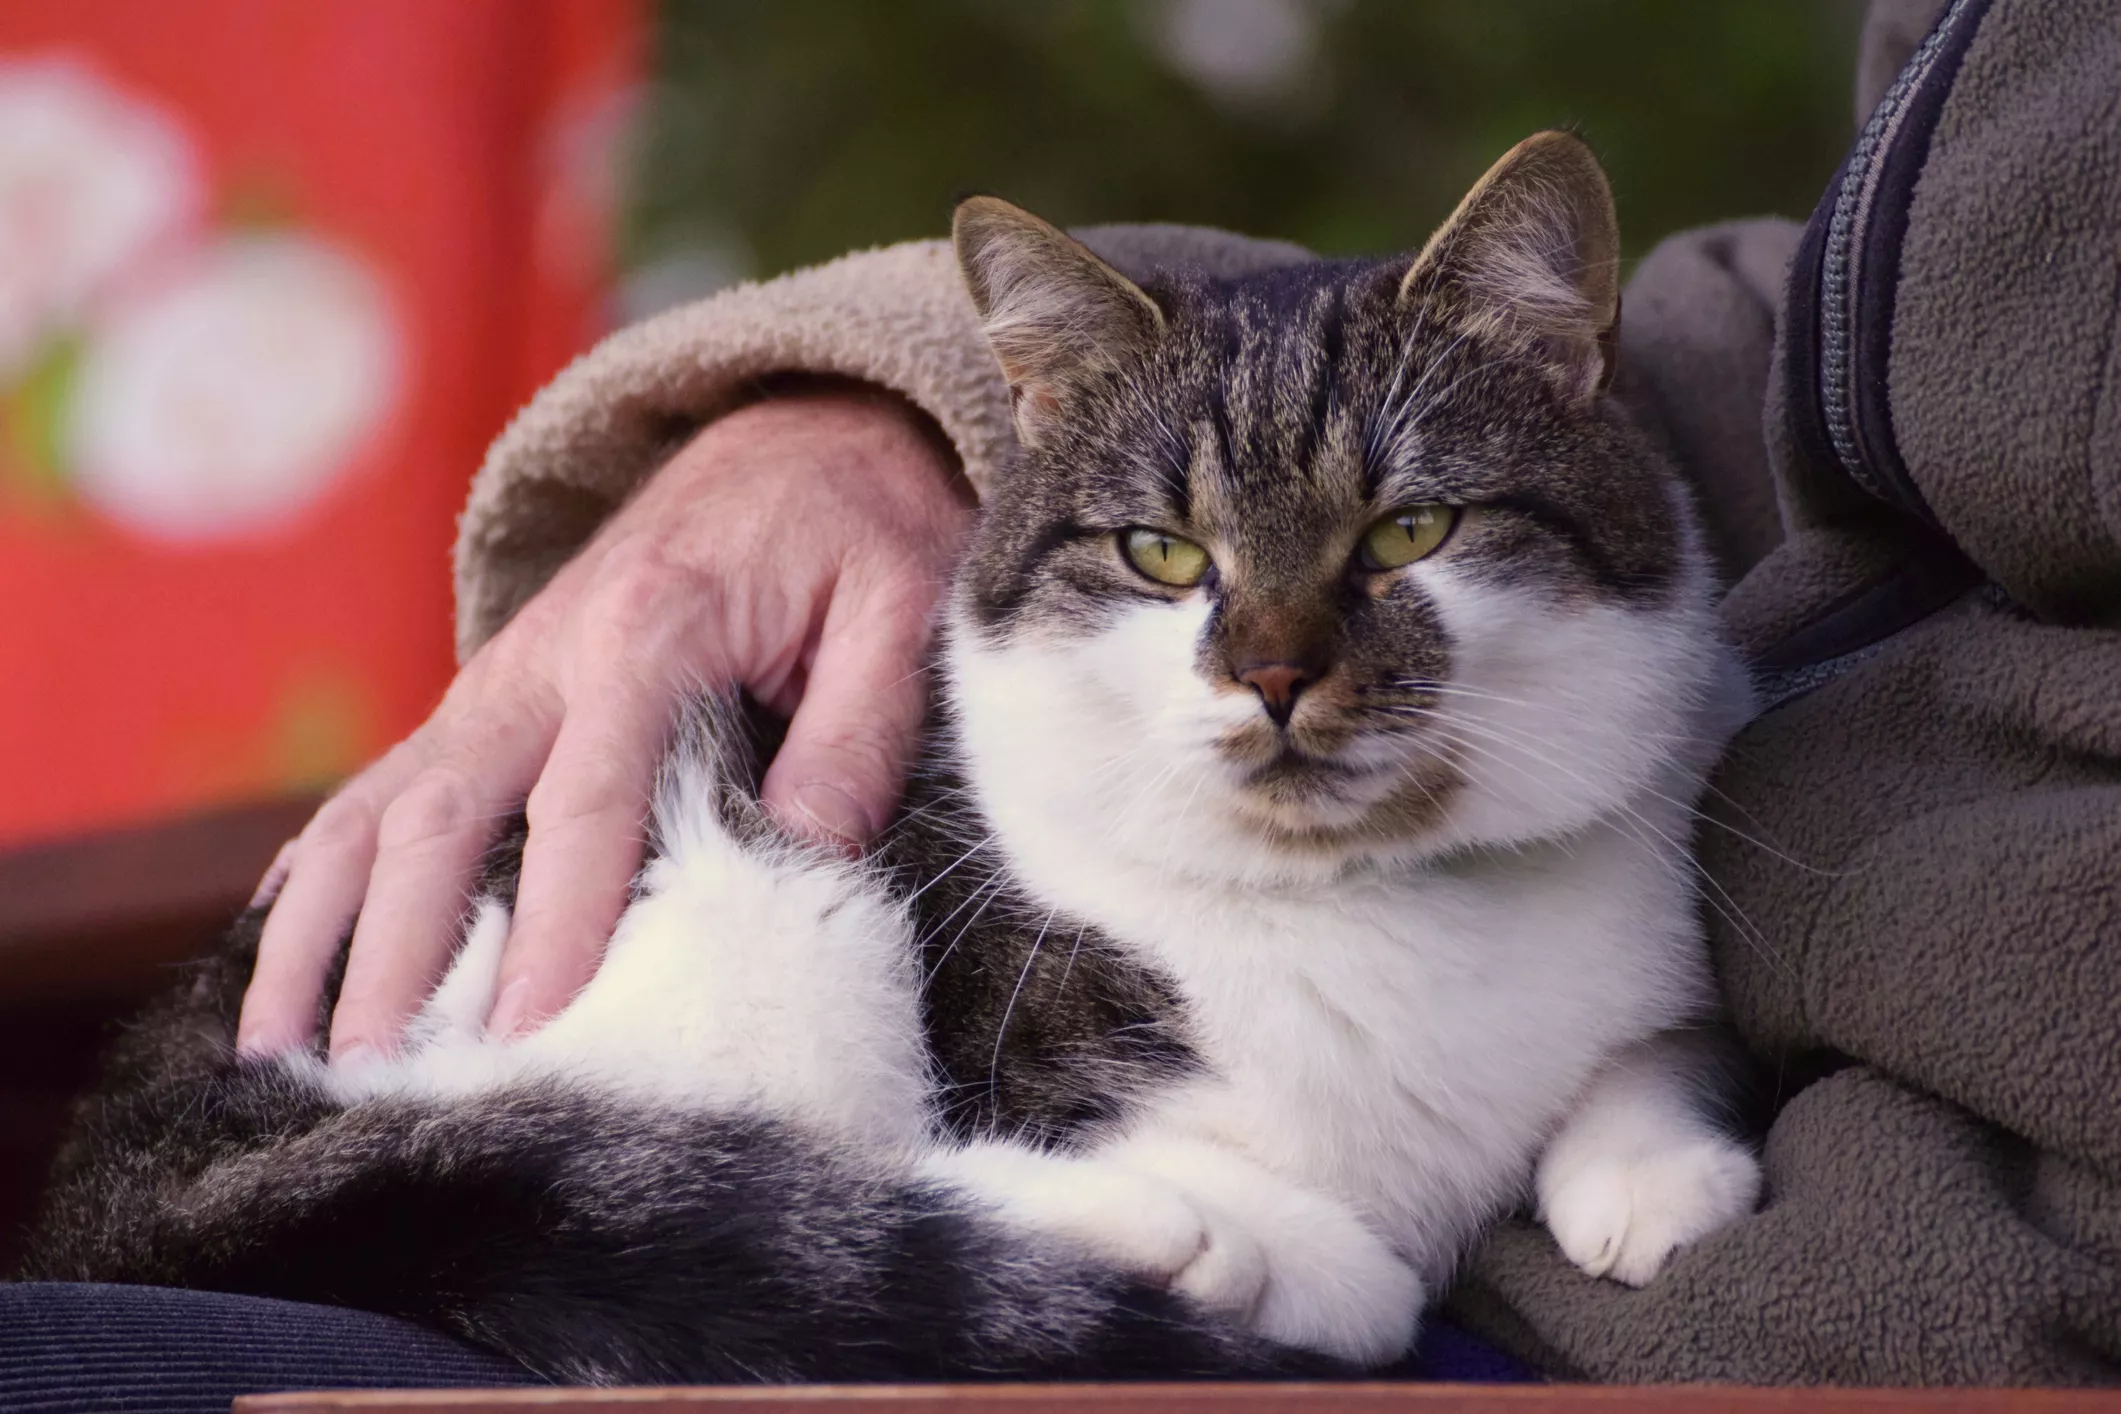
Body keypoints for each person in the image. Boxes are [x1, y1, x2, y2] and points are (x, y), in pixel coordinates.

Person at [16, 0, 2121, 1398]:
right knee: (804, 940)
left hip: (1818, 1322)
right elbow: (1803, 324)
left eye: (1388, 552)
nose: (1280, 661)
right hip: (413, 1148)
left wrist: (1623, 1100)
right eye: (1182, 573)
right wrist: (847, 399)